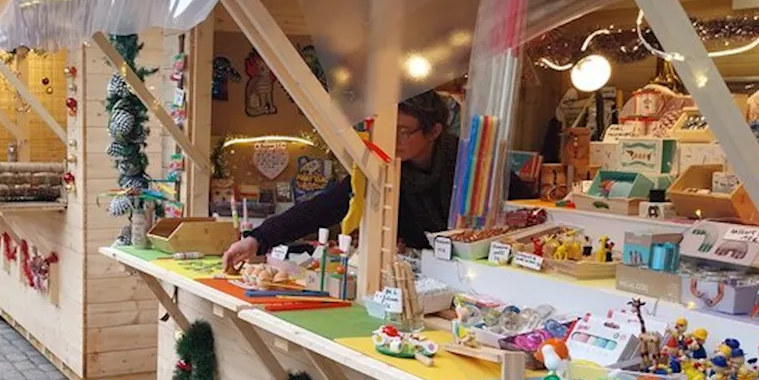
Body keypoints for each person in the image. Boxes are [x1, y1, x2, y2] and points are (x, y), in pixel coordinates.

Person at [223, 90, 533, 272]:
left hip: (484, 275)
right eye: (387, 128)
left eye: (403, 131)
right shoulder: (383, 168)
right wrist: (258, 239)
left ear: (434, 131)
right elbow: (326, 205)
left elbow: (526, 207)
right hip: (421, 279)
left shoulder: (473, 163)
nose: (392, 139)